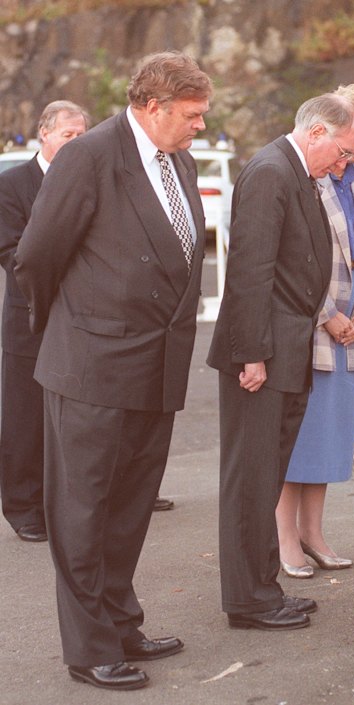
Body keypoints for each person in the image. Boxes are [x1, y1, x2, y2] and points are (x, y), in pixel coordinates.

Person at [14, 51, 213, 691]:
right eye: (191, 115)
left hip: (156, 367)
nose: (200, 127)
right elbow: (37, 256)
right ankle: (90, 647)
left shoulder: (175, 157)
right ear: (152, 107)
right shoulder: (89, 156)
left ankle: (122, 624)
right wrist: (70, 329)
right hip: (90, 365)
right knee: (81, 513)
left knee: (128, 509)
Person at [207, 93, 354, 631]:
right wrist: (250, 352)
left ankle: (262, 588)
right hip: (264, 354)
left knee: (267, 475)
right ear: (317, 132)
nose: (345, 163)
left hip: (285, 347)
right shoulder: (272, 171)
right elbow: (250, 269)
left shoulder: (299, 173)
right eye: (342, 151)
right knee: (251, 479)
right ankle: (249, 601)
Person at [275, 82, 354, 578]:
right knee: (295, 435)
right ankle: (284, 538)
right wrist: (326, 312)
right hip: (308, 323)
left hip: (353, 328)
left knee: (329, 435)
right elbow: (289, 256)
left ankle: (314, 533)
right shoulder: (306, 169)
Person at [0, 100, 89, 543]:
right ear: (44, 135)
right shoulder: (12, 185)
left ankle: (79, 501)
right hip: (31, 319)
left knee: (81, 415)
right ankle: (24, 508)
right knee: (26, 416)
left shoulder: (88, 179)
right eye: (67, 135)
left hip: (84, 321)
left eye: (81, 136)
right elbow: (12, 255)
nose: (75, 143)